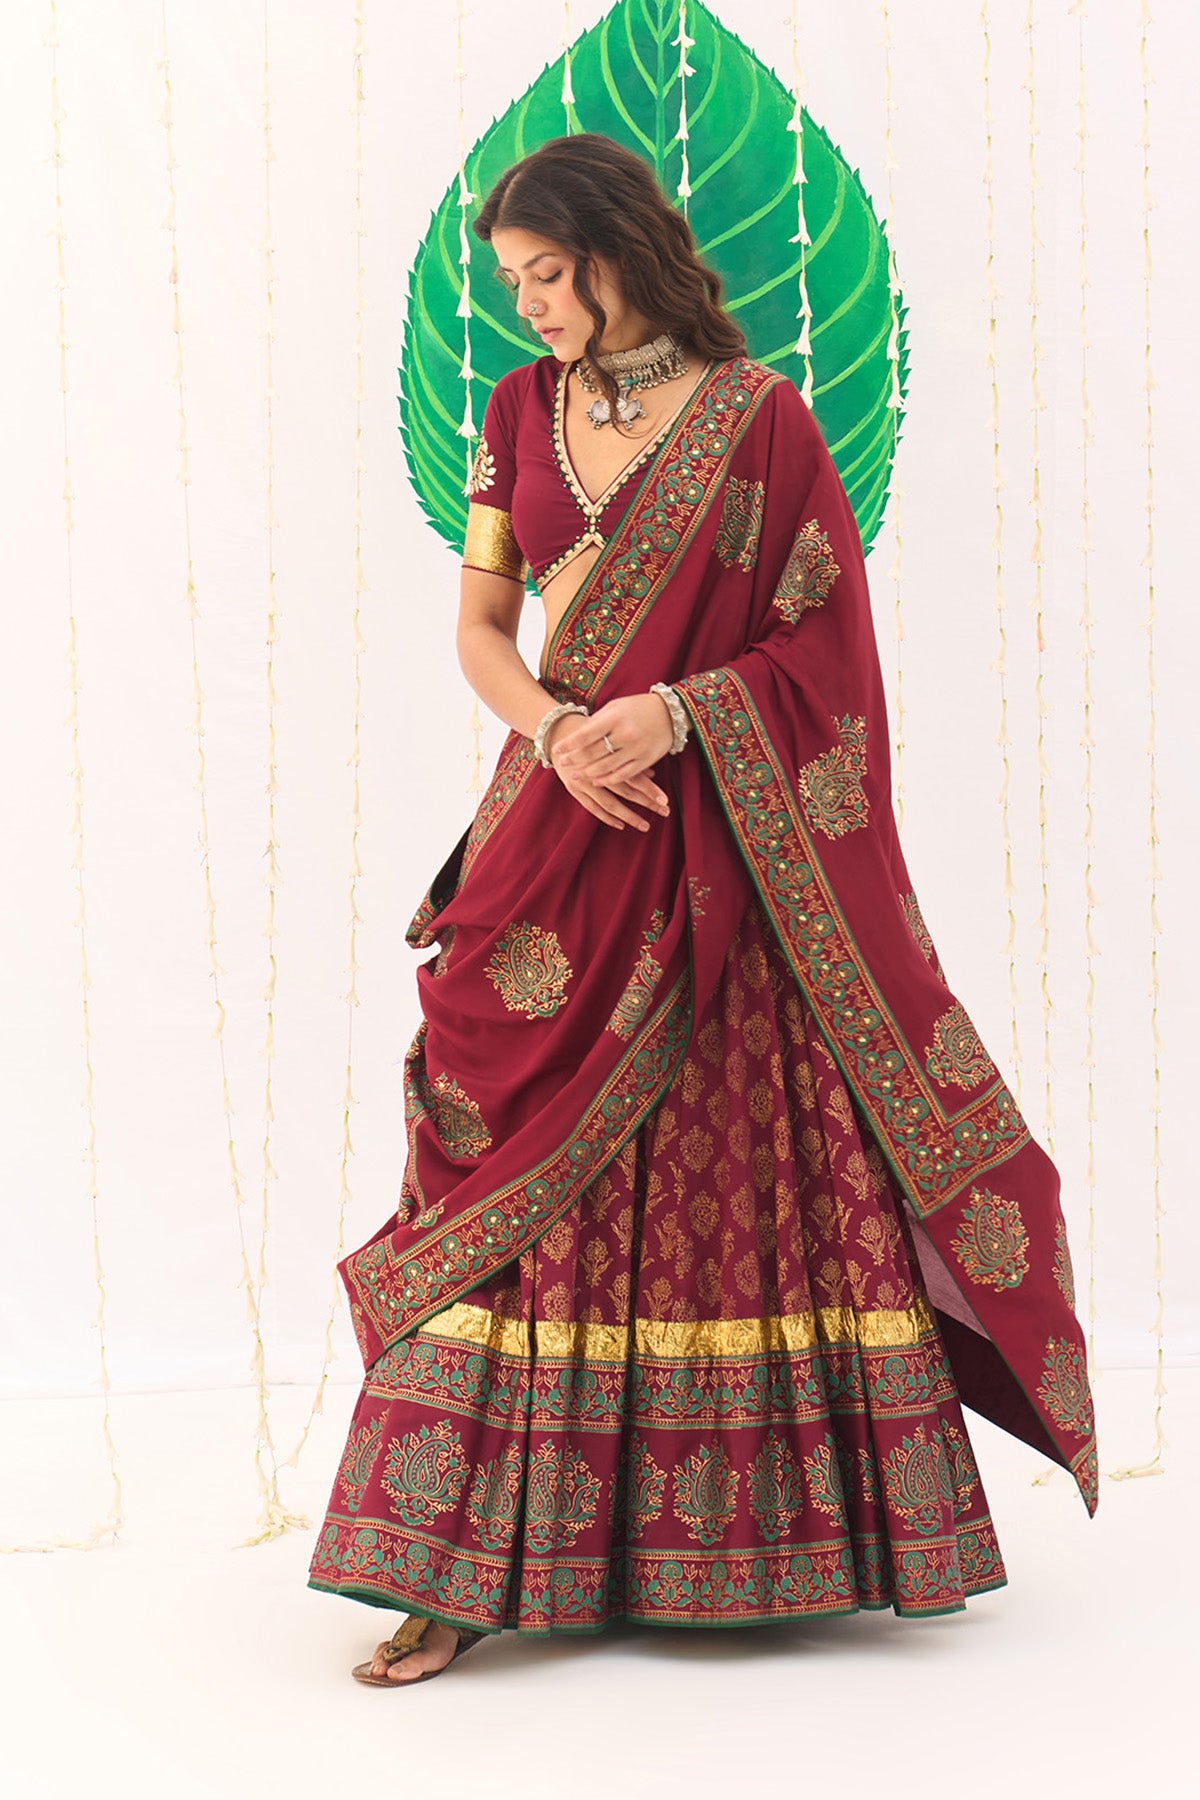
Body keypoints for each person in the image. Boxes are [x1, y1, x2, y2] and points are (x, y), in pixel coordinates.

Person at [307, 133, 1098, 1687]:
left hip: (723, 853)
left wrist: (676, 715)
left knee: (738, 1163)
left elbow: (827, 653)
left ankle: (785, 1545)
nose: (531, 306)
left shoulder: (762, 421)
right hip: (559, 839)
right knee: (509, 1166)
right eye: (514, 284)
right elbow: (481, 628)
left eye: (548, 274)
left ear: (615, 250)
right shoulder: (516, 413)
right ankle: (453, 1564)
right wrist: (557, 731)